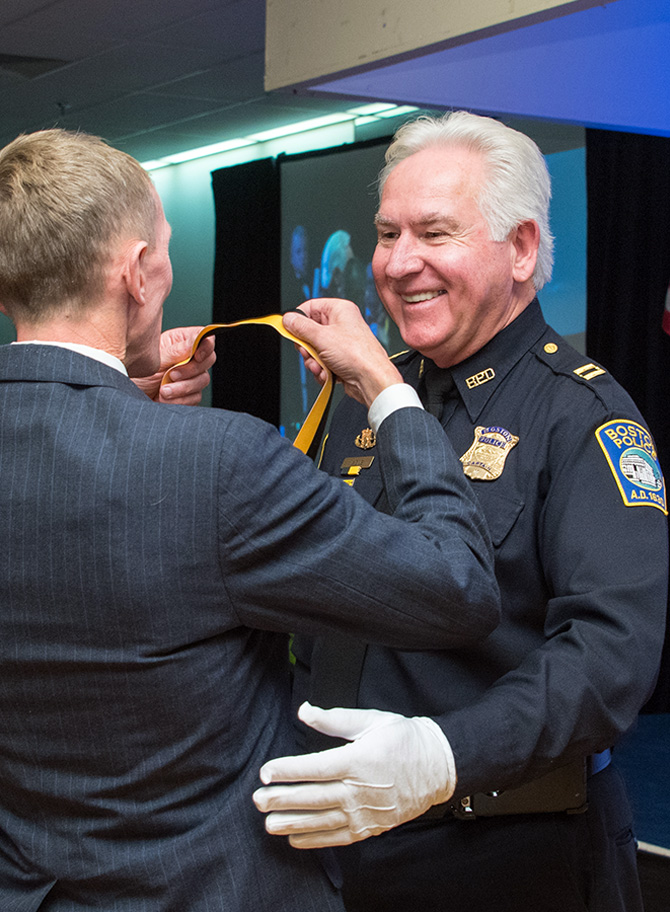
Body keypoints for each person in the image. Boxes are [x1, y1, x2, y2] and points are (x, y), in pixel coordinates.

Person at [0, 127, 500, 911]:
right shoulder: (220, 460)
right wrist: (385, 388)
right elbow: (456, 584)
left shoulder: (187, 455)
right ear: (137, 273)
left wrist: (128, 415)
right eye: (162, 251)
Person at [253, 111, 669, 912]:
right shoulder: (360, 397)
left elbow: (611, 657)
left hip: (502, 857)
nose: (400, 263)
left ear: (519, 249)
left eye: (434, 233)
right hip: (332, 855)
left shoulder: (582, 419)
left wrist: (444, 754)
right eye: (386, 233)